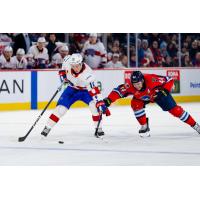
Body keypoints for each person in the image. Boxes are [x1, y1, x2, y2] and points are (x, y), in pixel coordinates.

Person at [103, 71, 200, 137]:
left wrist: (165, 90)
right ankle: (144, 126)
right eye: (135, 84)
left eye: (139, 83)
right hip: (142, 97)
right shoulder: (130, 85)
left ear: (143, 80)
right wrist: (109, 100)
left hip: (157, 94)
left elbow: (170, 79)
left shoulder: (152, 79)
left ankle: (195, 125)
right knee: (135, 103)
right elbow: (118, 91)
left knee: (176, 111)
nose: (137, 86)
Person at [41, 53, 111, 138]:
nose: (75, 68)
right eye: (73, 66)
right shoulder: (67, 62)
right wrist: (63, 77)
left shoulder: (88, 74)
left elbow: (94, 90)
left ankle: (98, 128)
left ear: (81, 63)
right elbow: (63, 70)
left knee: (94, 107)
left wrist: (99, 102)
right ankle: (47, 127)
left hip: (86, 91)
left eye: (77, 65)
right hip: (72, 89)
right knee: (61, 109)